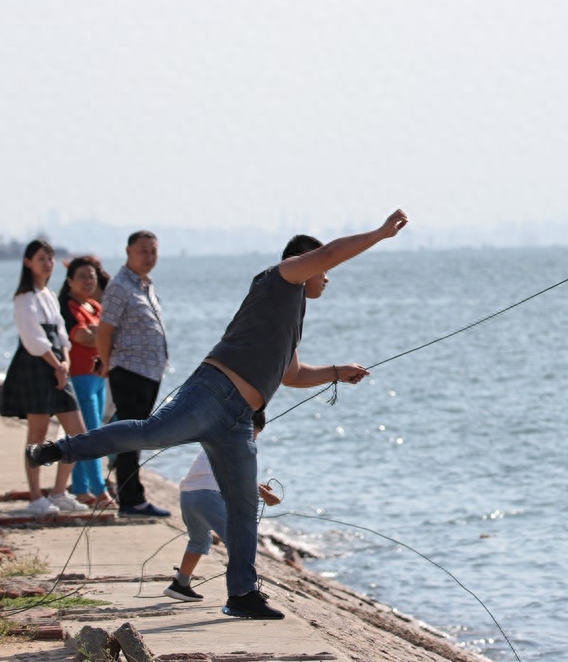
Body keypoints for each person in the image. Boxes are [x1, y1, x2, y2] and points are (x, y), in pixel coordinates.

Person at [28, 209, 408, 620]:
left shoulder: (292, 311)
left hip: (239, 419)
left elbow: (293, 373)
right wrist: (381, 233)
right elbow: (332, 252)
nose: (329, 276)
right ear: (303, 264)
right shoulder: (278, 279)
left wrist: (337, 372)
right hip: (213, 392)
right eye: (323, 268)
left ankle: (242, 594)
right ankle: (57, 450)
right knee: (148, 433)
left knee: (243, 506)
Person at [1, 240, 90, 515]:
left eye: (50, 258)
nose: (47, 263)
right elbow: (33, 339)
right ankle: (36, 497)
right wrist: (56, 364)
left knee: (78, 433)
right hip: (36, 367)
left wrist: (65, 361)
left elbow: (62, 333)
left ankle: (59, 491)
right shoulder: (24, 298)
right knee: (37, 436)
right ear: (28, 262)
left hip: (57, 365)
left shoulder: (49, 295)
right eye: (41, 258)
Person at [164, 410, 280, 602]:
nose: (255, 438)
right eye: (257, 433)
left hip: (188, 497)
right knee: (239, 541)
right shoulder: (243, 444)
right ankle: (244, 591)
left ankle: (181, 583)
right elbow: (243, 478)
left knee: (199, 541)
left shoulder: (216, 439)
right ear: (251, 428)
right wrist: (265, 494)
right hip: (208, 497)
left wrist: (257, 487)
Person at [95, 231, 171, 518]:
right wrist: (106, 363)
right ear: (128, 251)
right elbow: (104, 331)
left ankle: (133, 496)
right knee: (130, 436)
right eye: (143, 251)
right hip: (128, 370)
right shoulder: (120, 286)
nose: (149, 257)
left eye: (153, 251)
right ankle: (131, 500)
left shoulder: (145, 285)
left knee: (137, 436)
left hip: (148, 373)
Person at [58, 257, 115, 508]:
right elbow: (81, 335)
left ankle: (81, 489)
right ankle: (99, 491)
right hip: (79, 378)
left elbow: (106, 335)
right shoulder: (67, 306)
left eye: (91, 276)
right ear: (69, 280)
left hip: (98, 377)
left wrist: (100, 337)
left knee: (93, 432)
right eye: (81, 275)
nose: (88, 281)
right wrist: (102, 336)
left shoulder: (94, 305)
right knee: (90, 436)